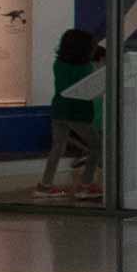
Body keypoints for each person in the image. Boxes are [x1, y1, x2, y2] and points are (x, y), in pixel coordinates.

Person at [38, 28, 101, 200]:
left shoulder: (58, 64)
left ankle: (44, 186)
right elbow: (88, 89)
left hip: (59, 109)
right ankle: (86, 185)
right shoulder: (86, 67)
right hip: (77, 112)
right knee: (97, 147)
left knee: (57, 147)